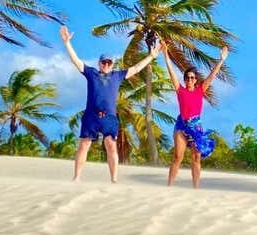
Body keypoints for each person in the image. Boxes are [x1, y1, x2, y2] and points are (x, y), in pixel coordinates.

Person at [61, 25, 161, 183]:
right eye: (104, 62)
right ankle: (77, 177)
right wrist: (67, 43)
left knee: (110, 144)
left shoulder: (117, 75)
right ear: (99, 63)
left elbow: (136, 68)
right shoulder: (91, 73)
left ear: (113, 64)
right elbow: (76, 61)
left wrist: (151, 56)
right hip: (91, 116)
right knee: (84, 144)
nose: (106, 65)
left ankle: (114, 179)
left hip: (109, 117)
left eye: (109, 63)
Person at [162, 42, 228, 188]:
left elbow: (212, 76)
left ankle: (195, 188)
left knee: (196, 157)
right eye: (187, 77)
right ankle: (169, 186)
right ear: (184, 79)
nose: (189, 80)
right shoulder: (180, 90)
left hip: (195, 127)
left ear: (196, 80)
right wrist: (165, 54)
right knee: (178, 157)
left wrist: (221, 60)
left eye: (192, 78)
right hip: (181, 126)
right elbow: (171, 73)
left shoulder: (200, 90)